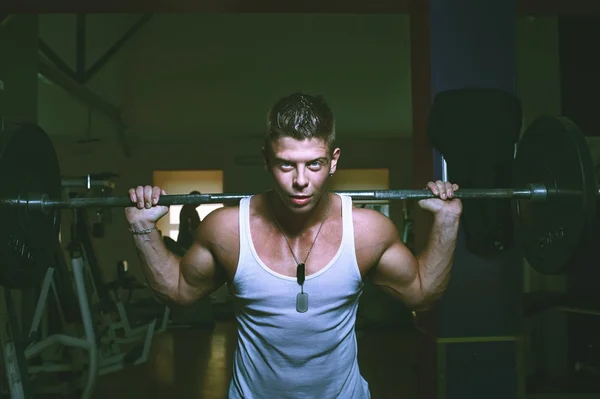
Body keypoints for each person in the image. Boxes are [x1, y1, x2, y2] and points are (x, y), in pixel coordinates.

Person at [125, 92, 462, 398]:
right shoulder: (228, 230)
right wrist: (143, 230)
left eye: (314, 164)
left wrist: (447, 222)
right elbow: (178, 291)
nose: (300, 181)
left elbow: (423, 294)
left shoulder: (366, 231)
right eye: (286, 164)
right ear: (266, 160)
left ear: (333, 161)